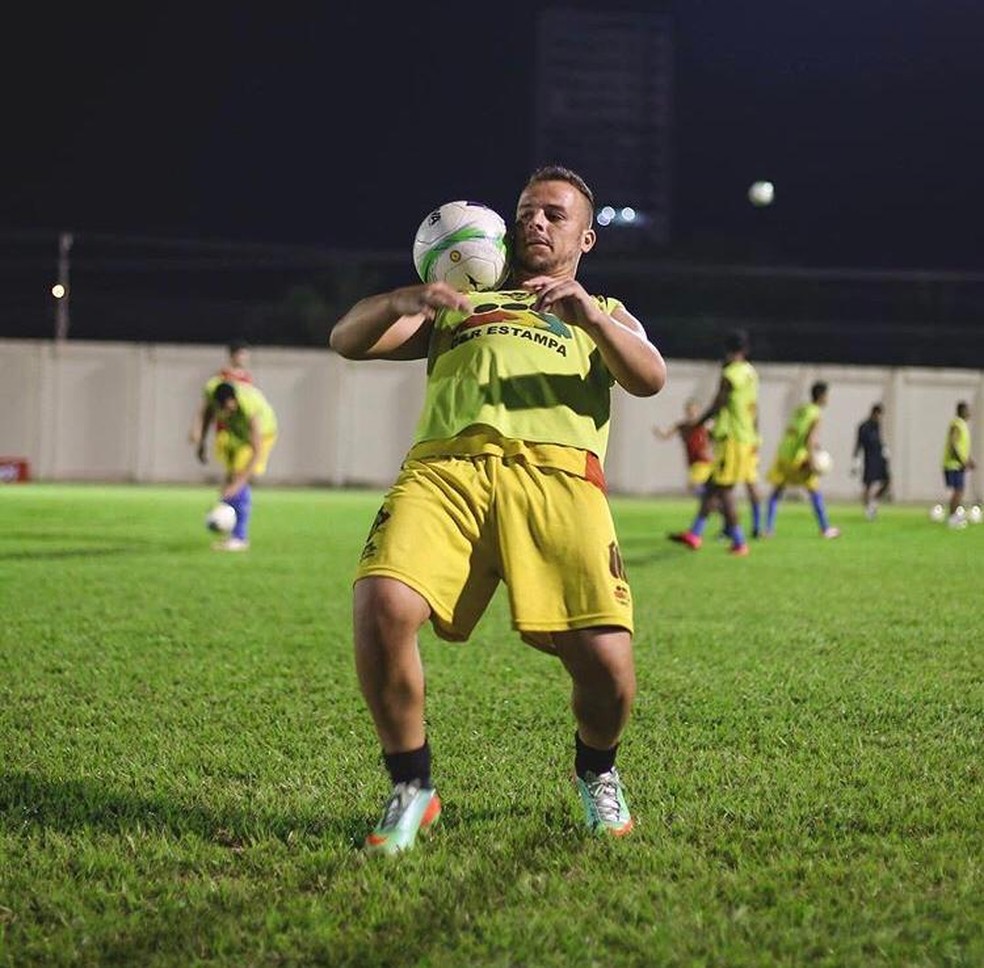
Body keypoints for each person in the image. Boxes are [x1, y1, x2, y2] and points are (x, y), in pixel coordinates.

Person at [328, 165, 667, 855]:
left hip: (560, 480)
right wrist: (405, 299)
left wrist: (592, 317)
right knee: (384, 603)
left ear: (587, 236)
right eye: (524, 213)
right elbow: (347, 339)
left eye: (553, 214)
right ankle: (411, 786)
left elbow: (650, 377)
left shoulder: (602, 310)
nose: (534, 223)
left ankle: (596, 771)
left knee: (609, 670)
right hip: (446, 469)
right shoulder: (465, 304)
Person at [668, 328, 759, 556]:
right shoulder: (750, 372)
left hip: (731, 439)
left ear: (727, 349)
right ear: (746, 349)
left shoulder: (730, 374)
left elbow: (718, 404)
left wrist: (696, 424)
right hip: (745, 437)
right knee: (712, 487)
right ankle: (695, 534)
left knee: (725, 491)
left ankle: (739, 541)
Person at [197, 380, 278, 551]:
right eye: (225, 409)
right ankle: (233, 532)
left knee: (238, 478)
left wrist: (238, 484)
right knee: (230, 480)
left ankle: (240, 539)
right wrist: (202, 442)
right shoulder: (212, 392)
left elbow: (256, 451)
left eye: (230, 408)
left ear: (235, 400)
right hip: (237, 432)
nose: (228, 412)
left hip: (263, 433)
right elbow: (207, 415)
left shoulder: (249, 406)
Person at [763, 381, 840, 539]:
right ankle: (825, 528)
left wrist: (814, 446)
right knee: (814, 491)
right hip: (799, 459)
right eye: (827, 396)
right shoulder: (816, 414)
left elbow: (796, 432)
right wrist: (812, 461)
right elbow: (809, 440)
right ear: (821, 396)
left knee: (776, 492)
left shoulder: (801, 409)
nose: (828, 399)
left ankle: (768, 529)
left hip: (784, 455)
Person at [189, 340, 255, 459]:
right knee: (235, 469)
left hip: (242, 430)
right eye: (242, 354)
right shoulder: (221, 377)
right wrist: (197, 430)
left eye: (246, 355)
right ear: (232, 355)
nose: (245, 358)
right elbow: (206, 408)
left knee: (241, 469)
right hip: (225, 430)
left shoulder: (247, 379)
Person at [653, 398, 712, 495]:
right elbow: (667, 434)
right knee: (698, 488)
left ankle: (712, 500)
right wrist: (659, 432)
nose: (692, 413)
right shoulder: (683, 426)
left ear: (699, 412)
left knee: (693, 485)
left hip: (703, 461)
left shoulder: (703, 425)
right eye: (689, 411)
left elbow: (715, 436)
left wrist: (710, 449)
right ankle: (714, 501)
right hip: (692, 462)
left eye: (694, 411)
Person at [852, 403, 891, 520]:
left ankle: (874, 501)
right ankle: (868, 508)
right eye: (878, 415)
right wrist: (856, 460)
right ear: (874, 413)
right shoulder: (863, 427)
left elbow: (879, 440)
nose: (879, 418)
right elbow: (858, 444)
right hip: (869, 458)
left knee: (887, 481)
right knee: (868, 484)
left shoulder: (877, 425)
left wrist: (884, 449)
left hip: (879, 458)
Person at [941, 400, 976, 529]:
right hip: (953, 464)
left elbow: (962, 447)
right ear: (962, 411)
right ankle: (952, 517)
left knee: (959, 490)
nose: (969, 412)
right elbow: (953, 444)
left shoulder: (963, 425)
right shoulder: (957, 424)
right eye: (967, 409)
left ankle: (953, 515)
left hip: (957, 463)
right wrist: (963, 461)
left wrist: (969, 459)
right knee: (958, 490)